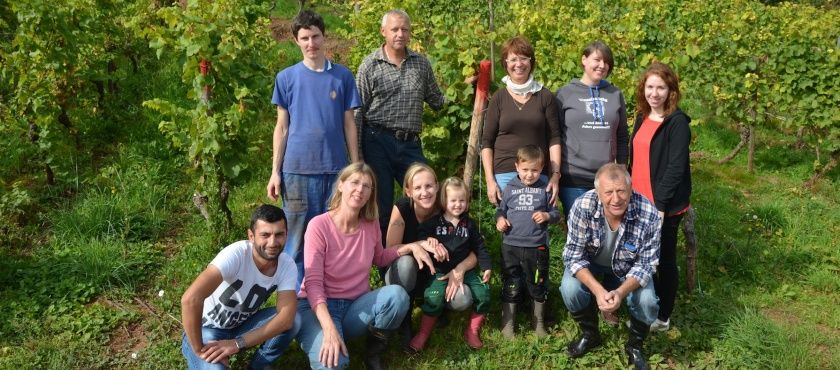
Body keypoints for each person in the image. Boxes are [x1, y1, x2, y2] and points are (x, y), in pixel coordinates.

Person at [295, 162, 436, 370]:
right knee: (335, 365)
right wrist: (329, 329)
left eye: (366, 186)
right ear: (341, 185)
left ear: (371, 193)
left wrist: (412, 246)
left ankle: (373, 353)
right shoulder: (319, 226)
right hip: (317, 308)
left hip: (354, 306)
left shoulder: (370, 224)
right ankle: (325, 337)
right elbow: (314, 284)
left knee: (397, 296)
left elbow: (379, 257)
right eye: (354, 182)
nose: (360, 190)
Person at [266, 10, 361, 288]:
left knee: (335, 236)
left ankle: (329, 294)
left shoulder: (342, 77)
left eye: (315, 36)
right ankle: (292, 300)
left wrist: (355, 168)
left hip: (335, 172)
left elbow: (349, 124)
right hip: (297, 172)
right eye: (304, 38)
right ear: (296, 40)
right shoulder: (286, 78)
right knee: (295, 240)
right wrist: (275, 171)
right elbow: (281, 127)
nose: (311, 43)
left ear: (324, 36)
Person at [355, 9, 446, 239]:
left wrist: (467, 88)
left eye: (404, 29)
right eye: (394, 29)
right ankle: (386, 263)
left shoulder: (421, 64)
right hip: (377, 141)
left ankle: (425, 254)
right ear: (383, 32)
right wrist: (356, 156)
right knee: (382, 204)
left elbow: (437, 101)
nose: (400, 34)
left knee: (425, 197)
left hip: (409, 144)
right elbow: (358, 112)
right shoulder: (370, 65)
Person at [560, 163, 661, 370]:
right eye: (608, 192)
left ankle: (635, 346)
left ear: (630, 189)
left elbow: (646, 265)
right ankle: (590, 334)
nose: (616, 199)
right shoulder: (582, 206)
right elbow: (573, 256)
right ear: (598, 192)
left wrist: (620, 292)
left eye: (621, 191)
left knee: (648, 300)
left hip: (628, 269)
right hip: (591, 264)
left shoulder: (648, 212)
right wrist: (598, 291)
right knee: (569, 289)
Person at [180, 205, 299, 370]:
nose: (273, 242)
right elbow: (190, 299)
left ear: (286, 234)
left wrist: (237, 343)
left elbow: (286, 319)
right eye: (265, 235)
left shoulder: (287, 265)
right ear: (251, 236)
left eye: (279, 234)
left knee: (295, 320)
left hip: (243, 326)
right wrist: (199, 350)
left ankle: (257, 366)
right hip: (207, 328)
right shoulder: (236, 254)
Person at [382, 163, 477, 349]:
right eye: (417, 188)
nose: (424, 192)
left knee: (463, 298)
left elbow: (475, 249)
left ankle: (437, 306)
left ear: (437, 186)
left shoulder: (449, 206)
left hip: (436, 275)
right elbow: (387, 253)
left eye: (428, 186)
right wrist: (418, 245)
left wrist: (460, 269)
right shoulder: (402, 208)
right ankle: (404, 318)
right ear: (408, 191)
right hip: (400, 275)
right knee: (406, 263)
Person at [629, 62, 692, 333]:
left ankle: (663, 316)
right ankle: (643, 302)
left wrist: (661, 205)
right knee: (642, 255)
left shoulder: (677, 122)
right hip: (639, 199)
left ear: (671, 91)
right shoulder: (642, 117)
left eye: (661, 88)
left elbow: (676, 167)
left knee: (664, 258)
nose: (654, 93)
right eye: (650, 87)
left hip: (662, 204)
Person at [409, 177, 493, 352]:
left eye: (462, 200)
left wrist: (486, 267)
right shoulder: (434, 223)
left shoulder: (469, 224)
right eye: (453, 200)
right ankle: (423, 333)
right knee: (433, 298)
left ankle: (472, 330)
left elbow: (479, 247)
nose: (457, 204)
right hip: (439, 270)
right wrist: (428, 240)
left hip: (466, 271)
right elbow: (420, 236)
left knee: (484, 293)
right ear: (443, 201)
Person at [481, 36, 562, 208]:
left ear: (531, 62)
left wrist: (555, 175)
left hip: (537, 174)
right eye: (513, 59)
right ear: (506, 63)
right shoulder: (498, 98)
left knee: (537, 224)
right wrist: (489, 180)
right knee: (509, 225)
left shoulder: (545, 96)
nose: (518, 64)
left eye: (524, 58)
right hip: (504, 174)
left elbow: (554, 138)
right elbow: (486, 142)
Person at [555, 40, 628, 218]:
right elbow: (554, 135)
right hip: (574, 178)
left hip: (608, 180)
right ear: (584, 60)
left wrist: (623, 170)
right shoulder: (565, 93)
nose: (602, 65)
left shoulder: (615, 94)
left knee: (608, 230)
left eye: (606, 62)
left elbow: (622, 136)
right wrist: (553, 173)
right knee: (579, 232)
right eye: (597, 59)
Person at [495, 145, 560, 338]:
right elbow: (501, 210)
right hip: (511, 246)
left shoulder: (545, 189)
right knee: (511, 282)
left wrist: (547, 216)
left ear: (541, 169)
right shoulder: (510, 188)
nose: (530, 175)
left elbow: (556, 215)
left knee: (537, 283)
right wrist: (500, 220)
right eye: (525, 170)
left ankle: (538, 323)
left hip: (537, 246)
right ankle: (508, 325)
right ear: (517, 167)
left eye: (535, 170)